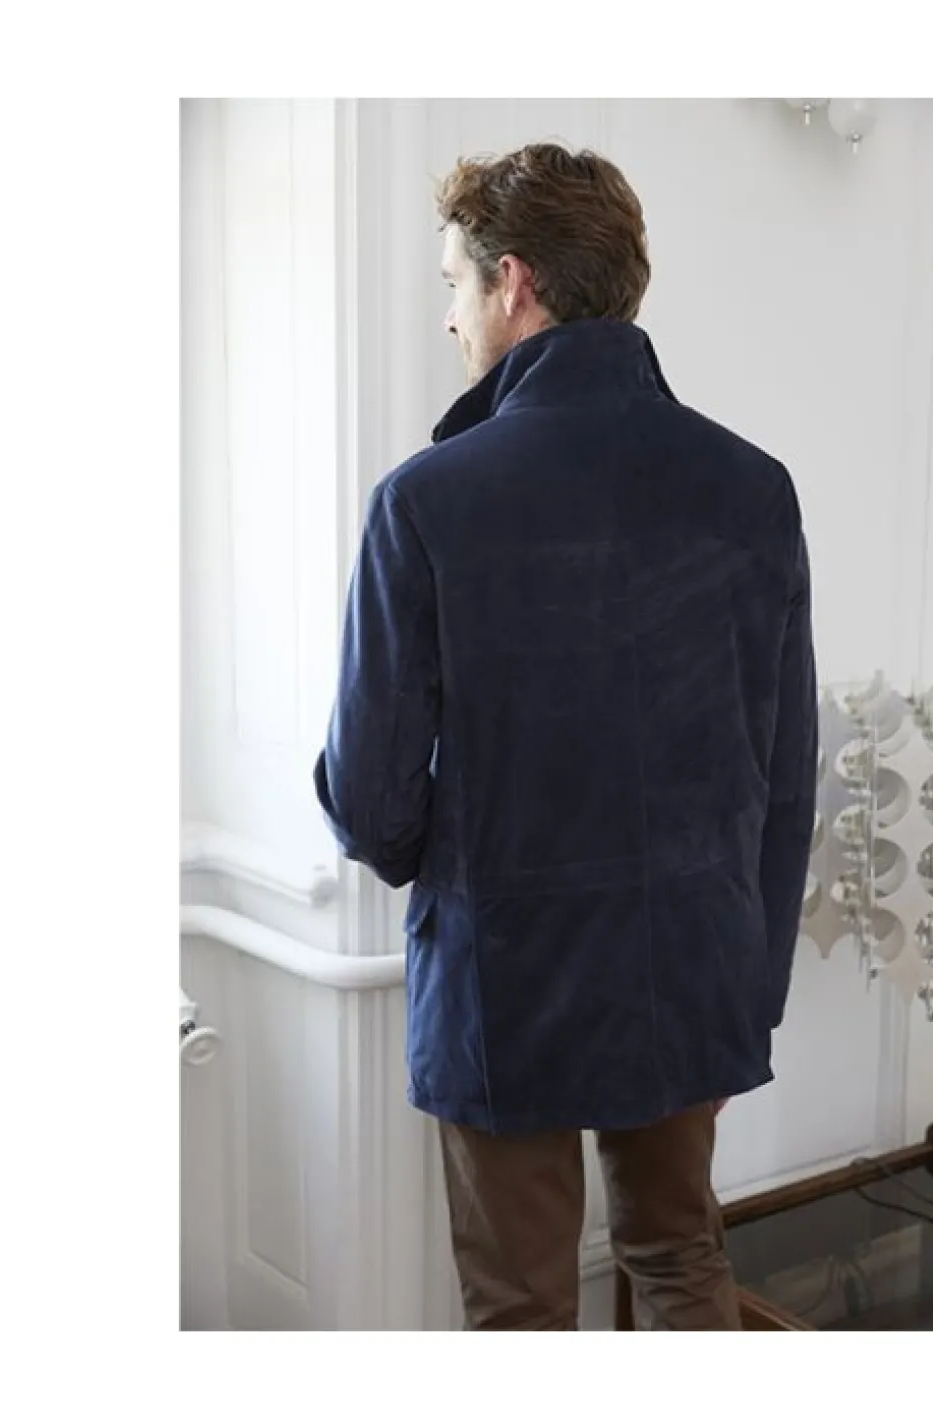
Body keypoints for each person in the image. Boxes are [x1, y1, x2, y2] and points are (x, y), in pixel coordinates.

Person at [315, 142, 818, 1331]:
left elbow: (372, 805)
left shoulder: (425, 500)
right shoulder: (753, 488)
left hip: (505, 978)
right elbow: (785, 774)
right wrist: (745, 988)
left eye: (454, 282)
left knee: (521, 1309)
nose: (450, 317)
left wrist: (452, 865)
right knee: (682, 1261)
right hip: (695, 965)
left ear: (515, 281)